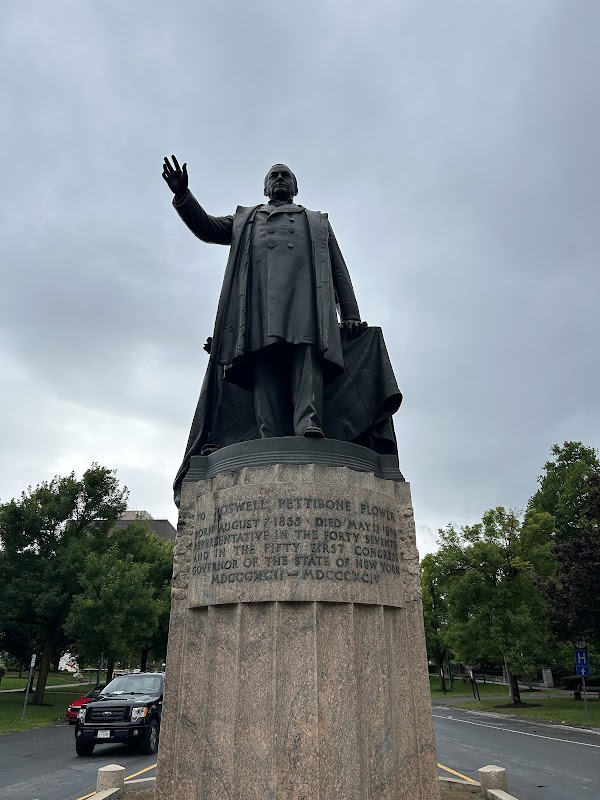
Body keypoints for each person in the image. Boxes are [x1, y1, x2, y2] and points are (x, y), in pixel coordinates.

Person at [162, 157, 365, 438]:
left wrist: (351, 315)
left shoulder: (317, 221)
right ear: (265, 189)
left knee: (306, 355)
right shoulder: (246, 219)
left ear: (295, 186)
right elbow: (207, 228)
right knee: (264, 360)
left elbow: (339, 270)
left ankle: (308, 422)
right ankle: (269, 433)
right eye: (274, 176)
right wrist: (182, 195)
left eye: (285, 176)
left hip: (305, 300)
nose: (279, 179)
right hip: (260, 304)